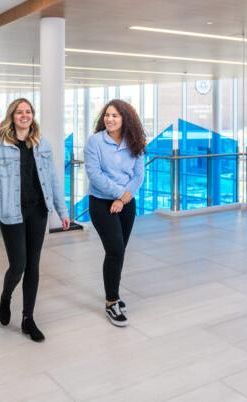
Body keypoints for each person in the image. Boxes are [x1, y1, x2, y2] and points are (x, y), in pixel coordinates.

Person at [0, 98, 70, 342]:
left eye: (28, 111)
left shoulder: (42, 145)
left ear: (33, 116)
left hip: (38, 212)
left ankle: (28, 319)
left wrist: (62, 211)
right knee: (18, 265)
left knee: (33, 266)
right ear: (12, 116)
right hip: (11, 214)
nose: (24, 115)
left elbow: (52, 180)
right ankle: (6, 296)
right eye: (19, 112)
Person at [84, 99, 145, 327]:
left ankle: (115, 294)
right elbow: (95, 175)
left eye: (115, 116)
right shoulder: (95, 142)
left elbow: (139, 175)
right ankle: (111, 302)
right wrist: (121, 195)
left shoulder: (135, 141)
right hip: (101, 203)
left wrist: (124, 198)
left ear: (125, 119)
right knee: (115, 250)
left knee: (119, 252)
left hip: (126, 204)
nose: (109, 119)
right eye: (107, 115)